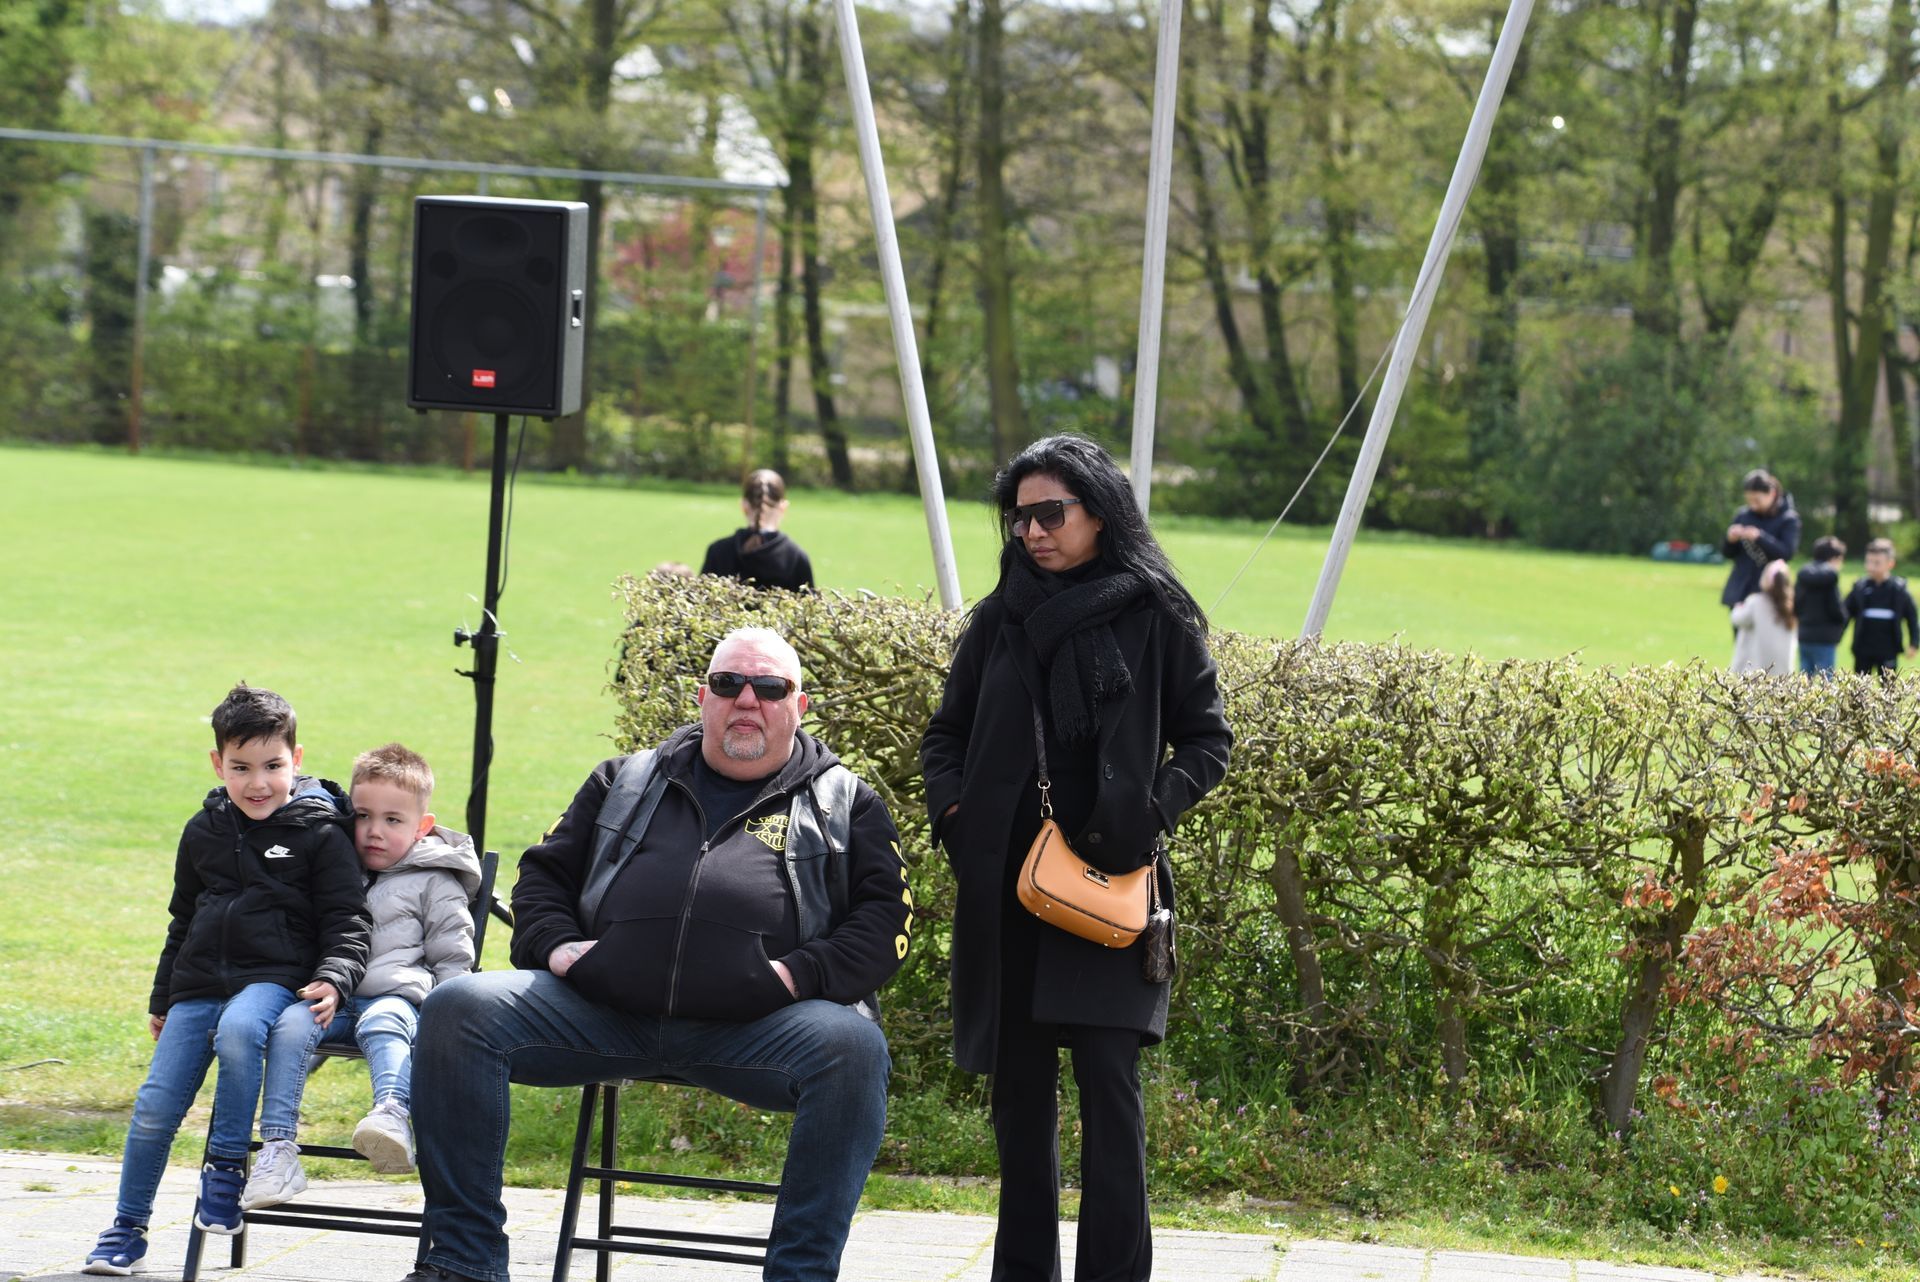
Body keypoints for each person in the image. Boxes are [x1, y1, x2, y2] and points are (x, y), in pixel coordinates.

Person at [402, 627, 911, 1282]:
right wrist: (558, 951)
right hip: (599, 1013)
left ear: (800, 706)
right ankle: (462, 1264)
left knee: (855, 1050)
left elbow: (885, 922)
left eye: (769, 687)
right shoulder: (626, 779)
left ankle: (800, 1275)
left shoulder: (847, 802)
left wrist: (796, 975)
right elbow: (542, 878)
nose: (746, 700)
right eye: (728, 684)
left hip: (759, 1030)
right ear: (703, 697)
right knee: (457, 1009)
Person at [920, 435, 1233, 1282]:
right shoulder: (998, 618)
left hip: (1111, 885)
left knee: (1110, 1095)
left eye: (1049, 513)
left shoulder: (1158, 616)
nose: (1031, 533)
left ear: (1100, 510)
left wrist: (1148, 814)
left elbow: (1209, 740)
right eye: (1018, 517)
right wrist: (956, 819)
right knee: (1020, 1106)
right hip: (1007, 889)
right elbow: (945, 735)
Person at [83, 685, 369, 1275]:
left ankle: (224, 1165)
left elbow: (347, 918)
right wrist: (163, 997)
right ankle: (126, 1230)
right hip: (197, 985)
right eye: (240, 768)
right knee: (155, 1106)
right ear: (218, 764)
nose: (257, 783)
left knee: (241, 1028)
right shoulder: (204, 830)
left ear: (297, 757)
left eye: (273, 766)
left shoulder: (320, 833)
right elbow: (182, 919)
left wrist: (335, 977)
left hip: (272, 979)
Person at [246, 744, 481, 1208]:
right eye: (363, 816)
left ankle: (392, 1113)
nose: (374, 832)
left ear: (422, 827)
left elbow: (453, 955)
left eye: (393, 820)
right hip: (331, 995)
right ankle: (277, 1148)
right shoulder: (332, 868)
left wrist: (447, 1019)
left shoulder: (436, 881)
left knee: (384, 1020)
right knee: (292, 1024)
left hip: (398, 998)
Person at [701, 469, 815, 592]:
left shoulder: (718, 551)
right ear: (783, 507)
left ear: (744, 506)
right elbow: (810, 608)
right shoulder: (796, 557)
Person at [1720, 469, 1801, 614]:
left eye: (1757, 500)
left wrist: (1760, 537)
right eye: (1749, 500)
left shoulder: (1788, 519)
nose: (1753, 505)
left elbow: (1787, 553)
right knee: (1740, 636)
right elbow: (1728, 553)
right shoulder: (1743, 515)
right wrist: (1730, 540)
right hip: (1741, 590)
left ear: (1772, 494)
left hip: (1770, 591)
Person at [1845, 538, 1920, 676]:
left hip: (1888, 650)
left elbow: (1912, 617)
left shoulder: (1899, 590)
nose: (1871, 566)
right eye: (1868, 561)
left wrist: (1914, 643)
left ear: (1890, 563)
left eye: (1877, 563)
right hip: (1863, 649)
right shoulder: (1860, 588)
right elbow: (1844, 614)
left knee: (1888, 691)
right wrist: (1834, 635)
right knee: (1859, 691)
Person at [1795, 536, 1848, 677]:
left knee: (1804, 680)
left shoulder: (1803, 575)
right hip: (1825, 637)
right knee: (1826, 682)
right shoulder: (1830, 578)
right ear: (1835, 558)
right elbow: (1835, 608)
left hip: (1804, 634)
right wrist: (1842, 619)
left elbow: (1796, 604)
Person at [1730, 559, 1795, 675]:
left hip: (1754, 666)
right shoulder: (1790, 605)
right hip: (1781, 669)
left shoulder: (1756, 601)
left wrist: (1737, 608)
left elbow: (1739, 619)